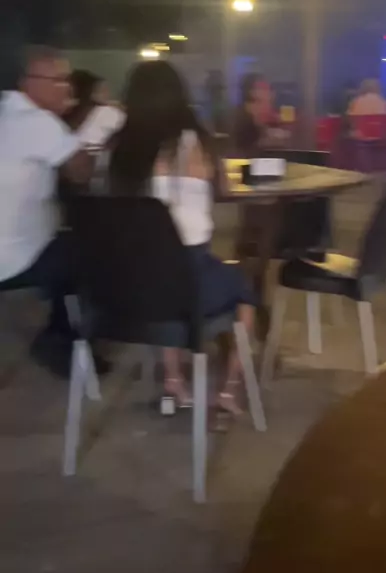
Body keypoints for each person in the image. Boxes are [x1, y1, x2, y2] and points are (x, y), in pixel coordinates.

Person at [106, 60, 255, 414]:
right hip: (188, 280)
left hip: (127, 289)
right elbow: (223, 189)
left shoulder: (120, 149)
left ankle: (174, 380)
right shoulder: (195, 141)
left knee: (161, 270)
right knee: (244, 294)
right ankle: (229, 390)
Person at [0, 46, 90, 369]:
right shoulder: (38, 121)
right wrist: (66, 124)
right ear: (29, 82)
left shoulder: (7, 112)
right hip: (12, 258)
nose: (67, 88)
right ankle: (60, 340)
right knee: (93, 253)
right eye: (59, 80)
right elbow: (82, 172)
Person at [64, 69, 124, 148]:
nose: (107, 94)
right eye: (103, 90)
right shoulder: (108, 113)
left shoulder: (56, 116)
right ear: (91, 93)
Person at [232, 73, 289, 155]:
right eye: (258, 101)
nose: (266, 108)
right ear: (246, 104)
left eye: (269, 101)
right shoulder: (238, 128)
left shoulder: (275, 120)